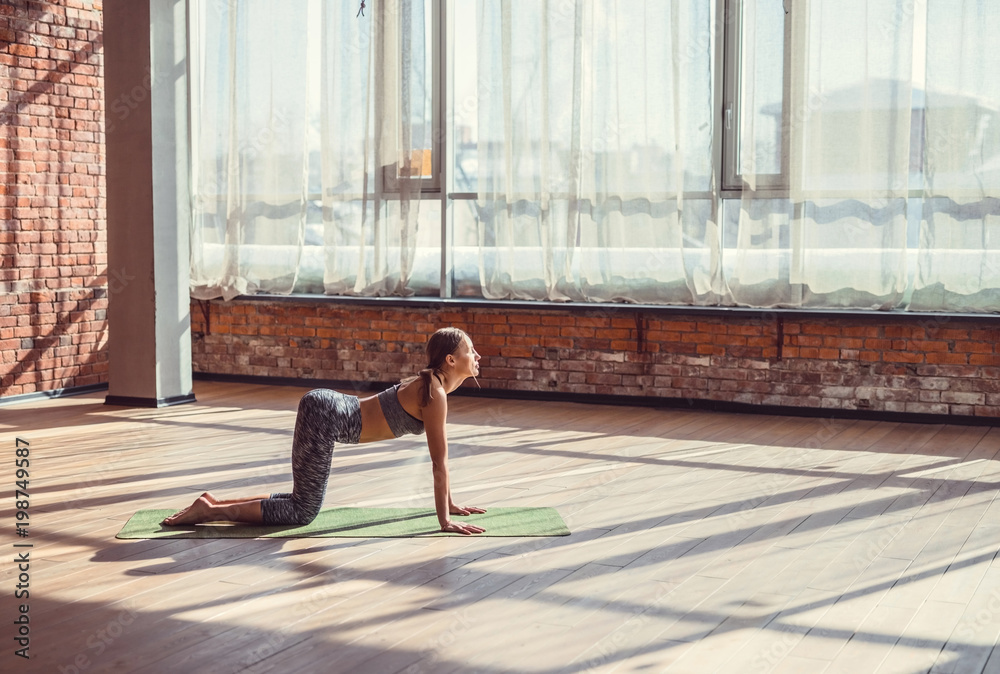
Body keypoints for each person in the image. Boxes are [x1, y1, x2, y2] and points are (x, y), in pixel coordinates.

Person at [162, 327, 488, 535]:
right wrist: (445, 520)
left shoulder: (430, 386)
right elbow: (439, 464)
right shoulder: (433, 394)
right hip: (327, 416)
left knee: (299, 500)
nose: (476, 356)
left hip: (325, 409)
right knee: (303, 511)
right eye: (470, 351)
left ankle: (212, 503)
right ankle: (213, 511)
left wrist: (452, 504)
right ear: (450, 359)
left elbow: (439, 463)